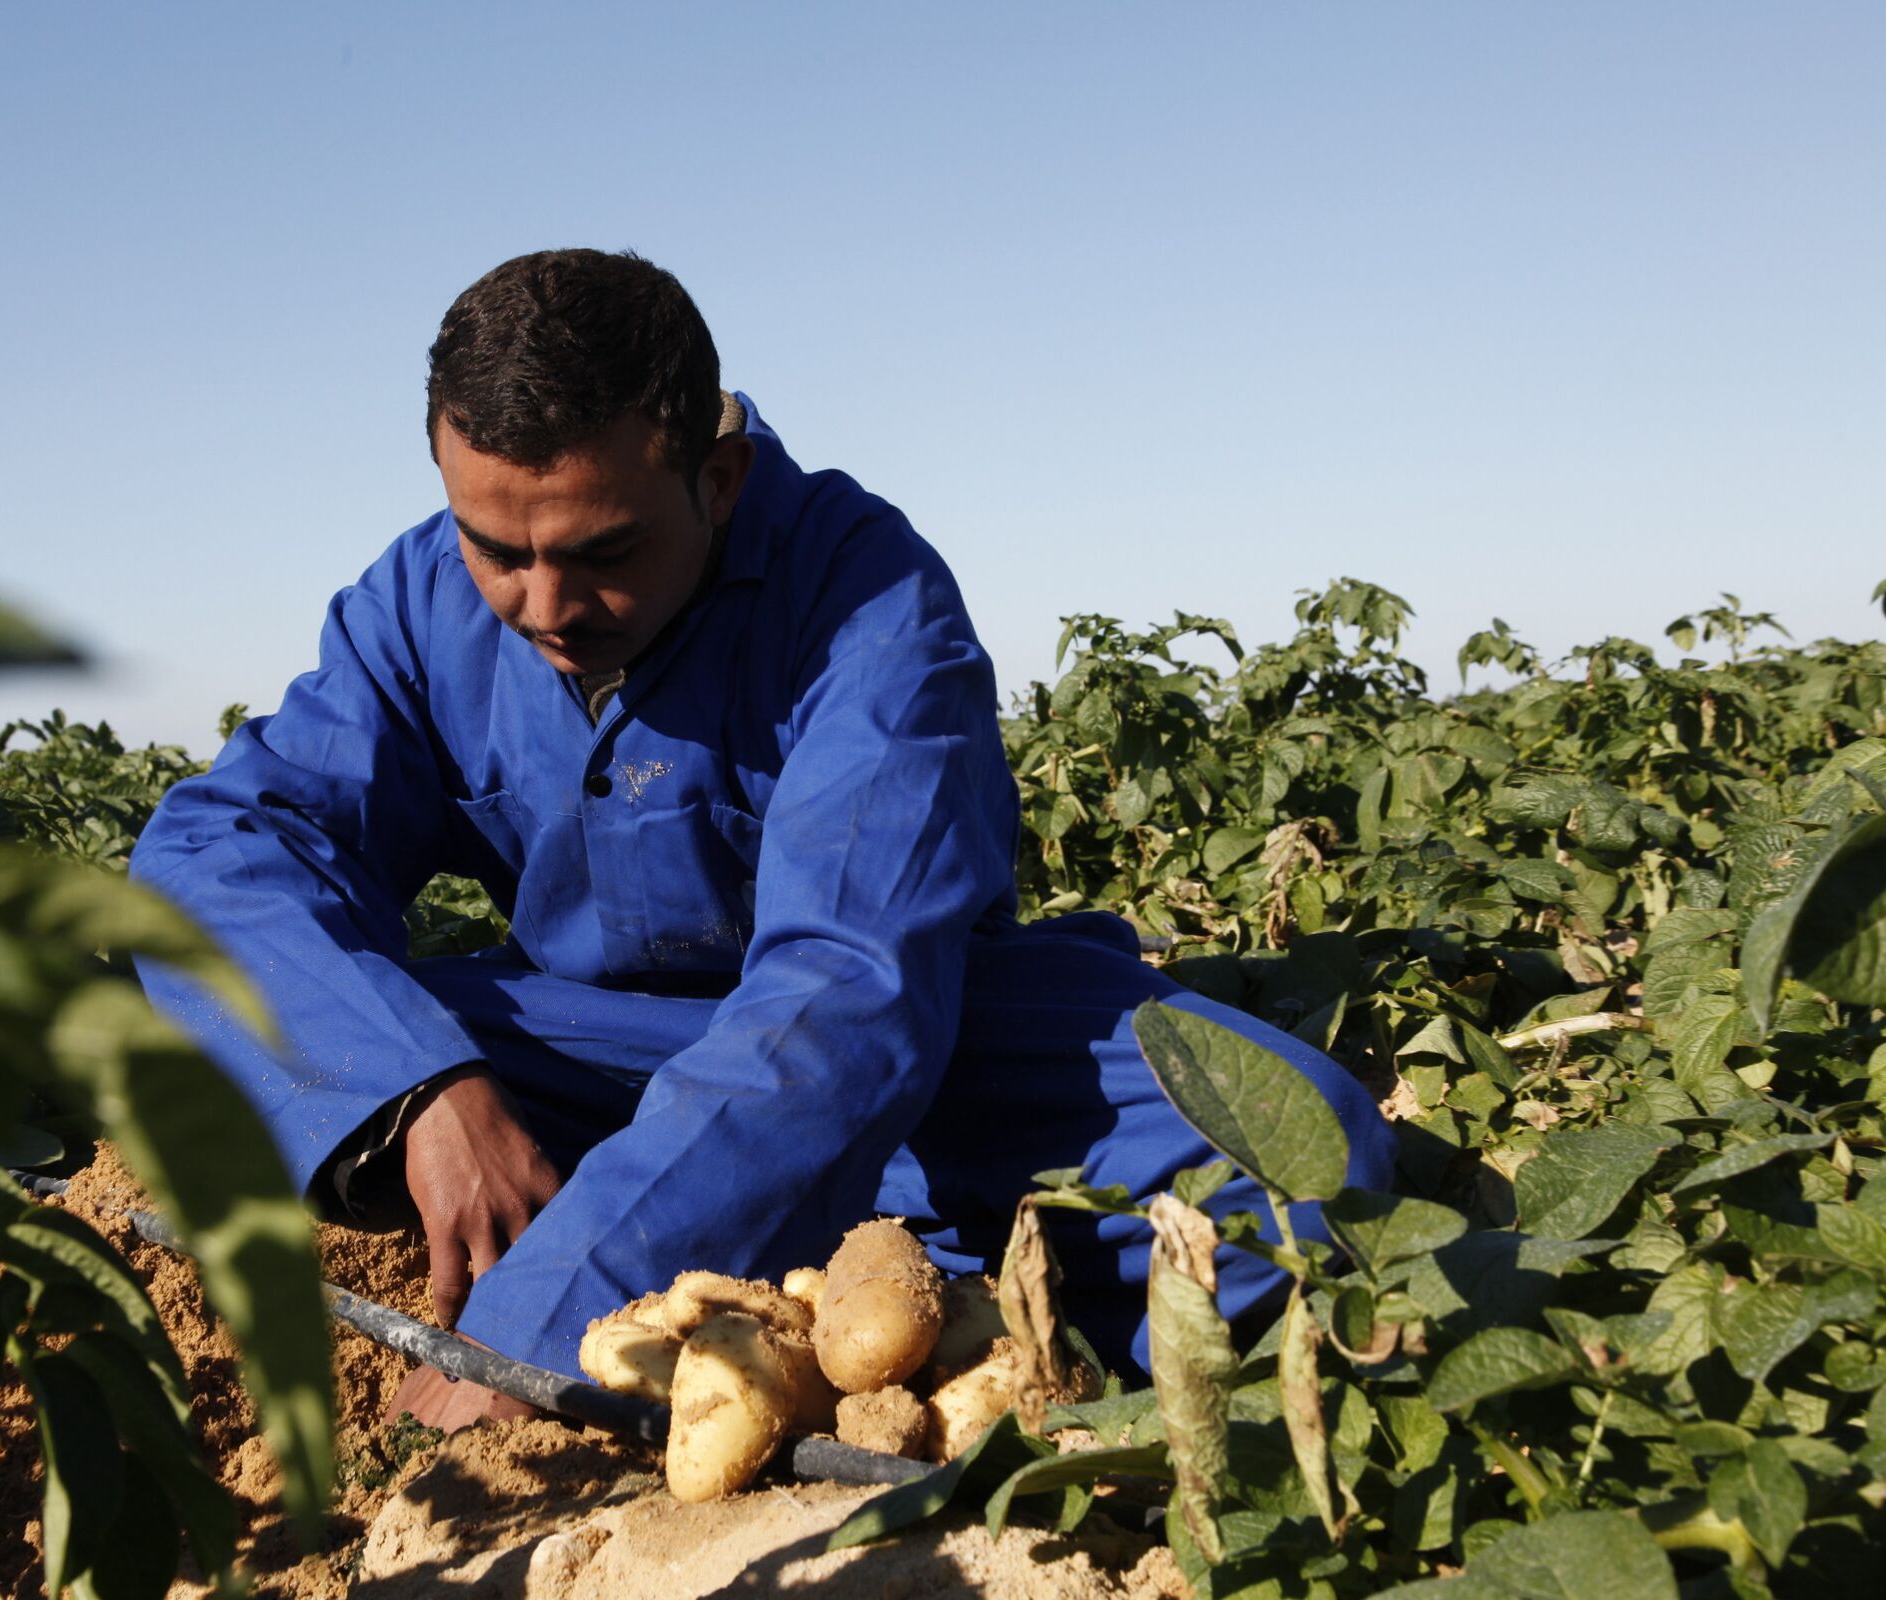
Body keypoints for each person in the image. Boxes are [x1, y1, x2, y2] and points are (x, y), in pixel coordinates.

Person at [131, 248, 1395, 1432]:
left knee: (1305, 1161)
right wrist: (420, 1093)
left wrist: (539, 1329)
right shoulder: (416, 602)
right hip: (599, 1045)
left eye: (603, 552)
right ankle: (717, 1213)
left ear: (717, 479)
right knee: (316, 1016)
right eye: (495, 550)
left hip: (915, 1065)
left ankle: (755, 1239)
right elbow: (220, 848)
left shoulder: (871, 602)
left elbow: (850, 995)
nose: (543, 606)